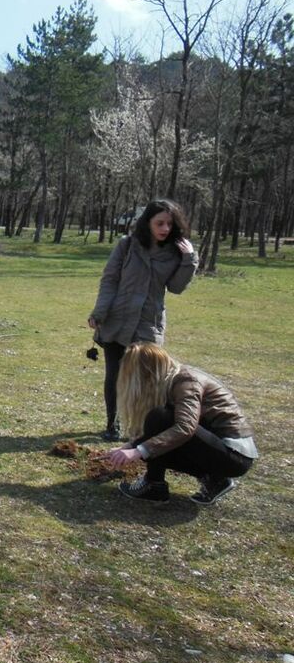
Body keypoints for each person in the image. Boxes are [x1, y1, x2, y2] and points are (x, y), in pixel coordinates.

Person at [88, 198, 198, 440]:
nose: (165, 229)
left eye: (170, 224)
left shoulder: (175, 253)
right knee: (114, 375)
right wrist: (99, 312)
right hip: (117, 319)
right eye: (160, 223)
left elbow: (177, 287)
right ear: (147, 222)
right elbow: (110, 280)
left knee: (148, 380)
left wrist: (189, 259)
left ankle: (141, 428)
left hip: (148, 323)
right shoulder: (127, 246)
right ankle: (112, 424)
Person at [105, 343, 258, 505]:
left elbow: (185, 428)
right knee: (156, 432)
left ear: (147, 371)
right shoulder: (173, 380)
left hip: (234, 457)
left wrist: (139, 450)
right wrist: (130, 446)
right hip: (220, 449)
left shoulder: (186, 381)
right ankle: (215, 480)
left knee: (158, 418)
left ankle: (153, 485)